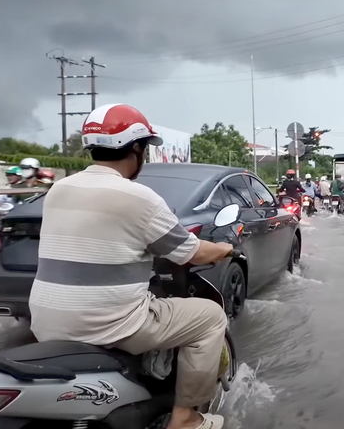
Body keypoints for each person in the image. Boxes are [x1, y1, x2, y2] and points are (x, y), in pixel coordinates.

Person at [28, 104, 234, 429]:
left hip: (45, 320)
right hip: (111, 324)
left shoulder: (58, 189)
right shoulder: (140, 197)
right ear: (136, 149)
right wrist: (223, 248)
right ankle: (185, 418)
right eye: (145, 149)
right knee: (210, 318)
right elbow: (190, 252)